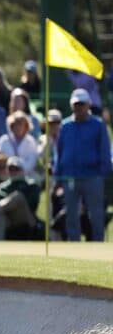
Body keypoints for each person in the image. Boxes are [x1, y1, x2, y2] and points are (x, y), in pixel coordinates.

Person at [55, 88, 111, 241]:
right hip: (70, 176)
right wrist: (58, 175)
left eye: (82, 104)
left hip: (92, 176)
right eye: (76, 104)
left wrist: (102, 173)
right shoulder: (65, 126)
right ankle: (74, 246)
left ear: (88, 105)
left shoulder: (98, 125)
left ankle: (98, 243)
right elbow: (59, 151)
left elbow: (105, 151)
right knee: (71, 215)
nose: (78, 107)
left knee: (96, 214)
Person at [0, 156, 41, 239]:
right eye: (10, 169)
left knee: (18, 196)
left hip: (27, 218)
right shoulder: (2, 187)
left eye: (16, 169)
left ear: (23, 170)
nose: (13, 172)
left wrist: (13, 200)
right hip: (8, 217)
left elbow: (32, 205)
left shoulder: (32, 185)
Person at [0, 111, 39, 180]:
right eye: (16, 124)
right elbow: (0, 158)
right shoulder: (4, 139)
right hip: (6, 176)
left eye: (21, 124)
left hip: (26, 177)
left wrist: (19, 170)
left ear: (26, 126)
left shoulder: (31, 141)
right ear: (12, 126)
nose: (18, 127)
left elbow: (31, 162)